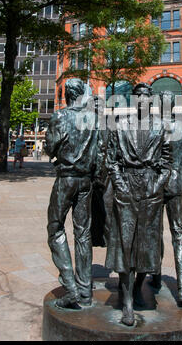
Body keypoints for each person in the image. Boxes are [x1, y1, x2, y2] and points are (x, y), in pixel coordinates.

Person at [105, 82, 171, 326]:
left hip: (151, 187)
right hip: (127, 185)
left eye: (146, 97)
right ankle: (128, 304)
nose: (143, 100)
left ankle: (137, 287)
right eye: (138, 97)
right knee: (125, 242)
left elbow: (167, 162)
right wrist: (120, 184)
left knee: (147, 243)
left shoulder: (162, 126)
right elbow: (110, 160)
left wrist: (158, 184)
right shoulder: (119, 125)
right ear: (133, 101)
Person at [45, 78, 99, 310]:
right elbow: (100, 152)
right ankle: (85, 290)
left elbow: (50, 147)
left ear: (68, 94)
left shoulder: (61, 116)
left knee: (55, 227)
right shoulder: (94, 119)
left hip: (66, 179)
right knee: (83, 233)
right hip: (86, 181)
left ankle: (70, 286)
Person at [149, 90, 182, 307]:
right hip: (176, 183)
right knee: (178, 233)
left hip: (157, 184)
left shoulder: (152, 126)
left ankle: (156, 276)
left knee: (156, 231)